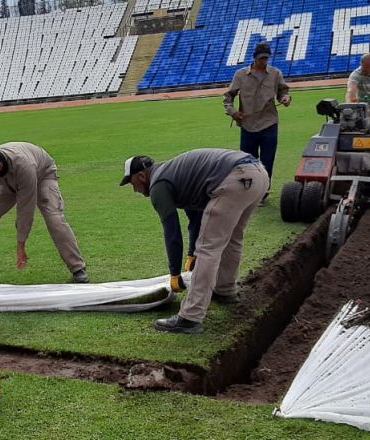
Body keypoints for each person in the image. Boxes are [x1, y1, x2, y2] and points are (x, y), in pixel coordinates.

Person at [121, 149, 269, 334]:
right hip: (257, 174)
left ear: (142, 176)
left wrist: (174, 274)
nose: (134, 189)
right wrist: (191, 255)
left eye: (131, 183)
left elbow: (172, 233)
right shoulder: (174, 174)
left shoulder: (158, 186)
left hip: (234, 178)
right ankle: (225, 290)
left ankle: (190, 317)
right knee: (232, 239)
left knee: (208, 249)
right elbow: (195, 219)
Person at [0, 142, 89, 283]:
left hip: (41, 175)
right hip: (8, 180)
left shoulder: (25, 167)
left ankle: (78, 269)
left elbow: (26, 209)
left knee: (54, 218)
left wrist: (21, 245)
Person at [223, 41, 291, 206]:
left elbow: (284, 90)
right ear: (254, 58)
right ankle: (248, 192)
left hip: (269, 124)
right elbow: (228, 97)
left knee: (267, 161)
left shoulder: (275, 73)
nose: (263, 61)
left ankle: (262, 194)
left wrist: (285, 97)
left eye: (266, 58)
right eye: (261, 58)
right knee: (247, 162)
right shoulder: (240, 75)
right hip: (248, 125)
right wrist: (233, 113)